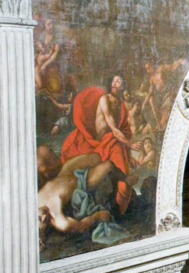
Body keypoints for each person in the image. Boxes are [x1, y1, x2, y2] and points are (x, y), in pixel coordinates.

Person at [61, 75, 140, 214]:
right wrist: (130, 145)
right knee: (116, 170)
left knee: (121, 166)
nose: (115, 83)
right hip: (101, 143)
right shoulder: (105, 99)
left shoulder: (121, 105)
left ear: (123, 87)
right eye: (114, 80)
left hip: (112, 142)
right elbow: (115, 130)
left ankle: (119, 207)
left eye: (119, 82)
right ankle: (117, 206)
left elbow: (124, 130)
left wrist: (130, 155)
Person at [37, 151, 131, 248]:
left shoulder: (33, 201)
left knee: (96, 156)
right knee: (108, 165)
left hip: (66, 171)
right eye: (45, 222)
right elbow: (81, 226)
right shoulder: (60, 221)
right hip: (82, 182)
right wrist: (97, 215)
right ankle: (126, 179)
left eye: (39, 218)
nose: (44, 216)